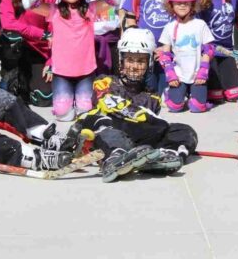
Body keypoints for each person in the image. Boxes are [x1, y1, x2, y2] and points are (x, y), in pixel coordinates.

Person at [77, 27, 198, 182]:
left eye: (140, 61)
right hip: (108, 133)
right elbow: (106, 103)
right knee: (97, 120)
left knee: (184, 130)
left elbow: (153, 128)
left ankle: (164, 157)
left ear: (149, 64)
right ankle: (115, 157)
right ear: (121, 61)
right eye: (130, 60)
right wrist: (140, 115)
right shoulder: (105, 82)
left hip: (138, 142)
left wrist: (151, 121)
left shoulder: (152, 97)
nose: (134, 66)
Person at [22, 0, 116, 121]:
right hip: (62, 72)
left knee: (85, 113)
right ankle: (66, 104)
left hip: (85, 71)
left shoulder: (90, 9)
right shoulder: (54, 11)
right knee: (63, 114)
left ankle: (81, 102)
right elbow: (28, 3)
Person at [0, 0, 52, 106]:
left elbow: (55, 27)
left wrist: (51, 62)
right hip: (18, 49)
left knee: (43, 100)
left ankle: (29, 84)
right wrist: (40, 33)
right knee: (12, 36)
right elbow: (8, 23)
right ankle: (11, 75)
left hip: (41, 51)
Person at [122, 0, 175, 94]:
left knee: (166, 90)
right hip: (145, 50)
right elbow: (130, 15)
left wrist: (168, 47)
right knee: (148, 89)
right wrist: (136, 42)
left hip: (168, 50)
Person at [157, 0, 215, 113]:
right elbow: (165, 54)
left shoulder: (200, 25)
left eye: (186, 3)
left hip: (197, 74)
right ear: (171, 4)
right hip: (179, 74)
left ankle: (198, 99)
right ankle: (170, 94)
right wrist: (170, 73)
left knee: (197, 108)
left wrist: (203, 70)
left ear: (192, 4)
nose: (182, 6)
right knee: (175, 107)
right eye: (178, 3)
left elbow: (209, 49)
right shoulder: (169, 27)